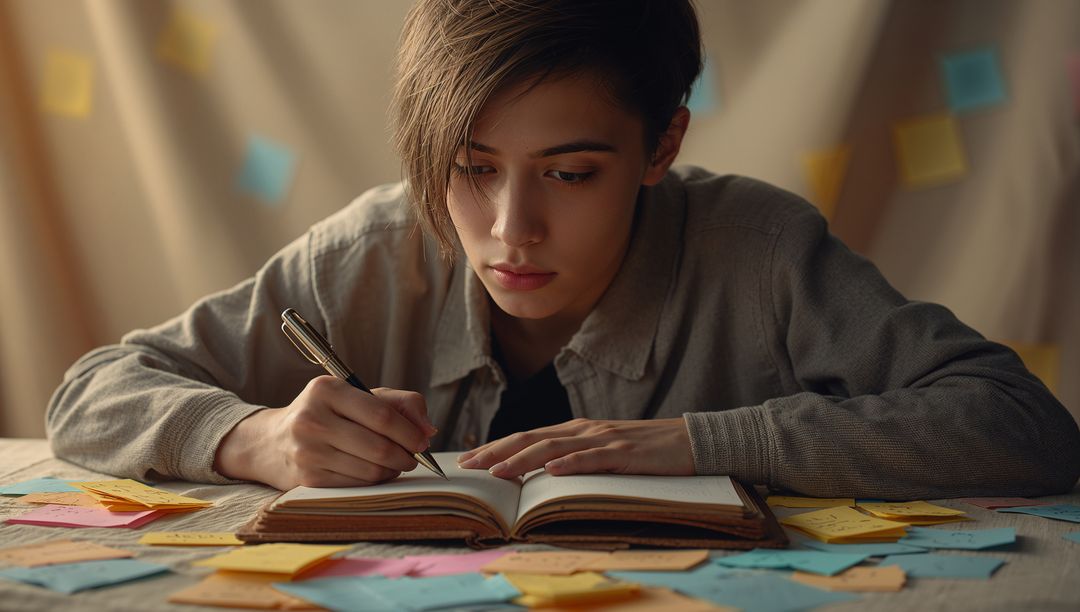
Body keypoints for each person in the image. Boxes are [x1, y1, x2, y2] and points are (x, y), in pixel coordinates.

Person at [48, 0, 1079, 499]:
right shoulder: (373, 250)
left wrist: (703, 444)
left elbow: (1023, 426)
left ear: (662, 144)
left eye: (572, 173)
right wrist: (257, 440)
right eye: (469, 167)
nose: (509, 230)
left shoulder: (760, 251)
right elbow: (91, 394)